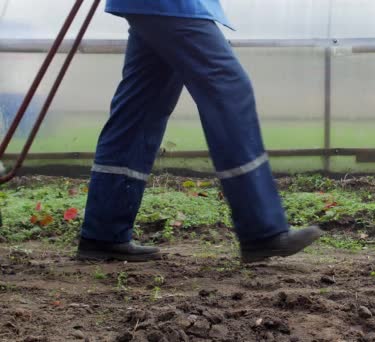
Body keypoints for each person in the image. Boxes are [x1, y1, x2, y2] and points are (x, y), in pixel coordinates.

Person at [76, 0, 322, 263]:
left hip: (152, 6)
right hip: (172, 5)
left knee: (140, 108)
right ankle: (262, 230)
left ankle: (104, 232)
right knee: (229, 89)